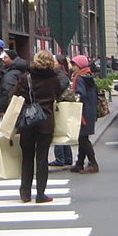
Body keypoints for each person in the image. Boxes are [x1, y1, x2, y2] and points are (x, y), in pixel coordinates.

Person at [11, 50, 63, 203]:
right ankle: (41, 194)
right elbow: (58, 96)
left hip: (27, 121)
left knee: (27, 157)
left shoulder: (25, 77)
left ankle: (25, 192)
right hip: (45, 121)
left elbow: (14, 96)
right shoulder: (54, 79)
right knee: (42, 158)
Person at [69, 54, 99, 173]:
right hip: (90, 110)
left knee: (83, 138)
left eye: (74, 65)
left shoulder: (80, 78)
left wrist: (72, 98)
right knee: (83, 137)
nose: (72, 67)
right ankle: (79, 163)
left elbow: (80, 94)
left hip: (83, 112)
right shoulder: (88, 76)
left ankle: (93, 163)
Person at [50, 55, 75, 167]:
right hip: (63, 105)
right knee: (63, 131)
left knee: (59, 131)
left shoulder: (60, 75)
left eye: (54, 61)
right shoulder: (63, 75)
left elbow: (58, 89)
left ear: (60, 63)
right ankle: (67, 158)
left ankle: (60, 158)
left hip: (60, 105)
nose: (52, 63)